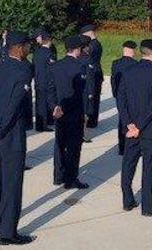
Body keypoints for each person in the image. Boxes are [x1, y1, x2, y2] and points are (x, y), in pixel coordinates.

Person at [0, 31, 35, 245]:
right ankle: (6, 232)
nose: (29, 49)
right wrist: (0, 130)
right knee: (12, 181)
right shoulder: (23, 71)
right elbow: (13, 106)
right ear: (20, 48)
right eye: (27, 46)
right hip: (9, 133)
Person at [118, 39, 152, 217]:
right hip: (148, 129)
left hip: (130, 128)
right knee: (149, 168)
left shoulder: (128, 71)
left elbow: (121, 100)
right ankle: (148, 206)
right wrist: (139, 126)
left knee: (128, 164)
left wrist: (129, 124)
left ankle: (127, 200)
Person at [48, 35, 89, 189]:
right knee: (73, 146)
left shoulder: (56, 65)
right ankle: (71, 178)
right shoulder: (79, 67)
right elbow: (77, 94)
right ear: (77, 49)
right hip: (73, 112)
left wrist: (54, 107)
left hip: (58, 112)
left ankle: (58, 175)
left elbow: (50, 89)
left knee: (59, 144)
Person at [110, 41, 138, 156]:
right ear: (133, 50)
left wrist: (116, 94)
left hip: (120, 96)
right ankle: (130, 146)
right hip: (132, 97)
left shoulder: (116, 63)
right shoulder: (136, 64)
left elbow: (113, 80)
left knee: (122, 119)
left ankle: (121, 147)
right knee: (132, 120)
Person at [32, 28, 56, 132]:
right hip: (46, 81)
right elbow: (52, 69)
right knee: (45, 104)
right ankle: (43, 125)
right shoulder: (49, 53)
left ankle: (40, 124)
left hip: (38, 80)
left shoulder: (37, 52)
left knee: (39, 103)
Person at [81, 24, 104, 130]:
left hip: (93, 73)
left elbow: (87, 58)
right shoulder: (96, 43)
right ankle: (92, 120)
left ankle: (91, 121)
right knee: (94, 98)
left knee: (92, 98)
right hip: (96, 72)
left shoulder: (92, 45)